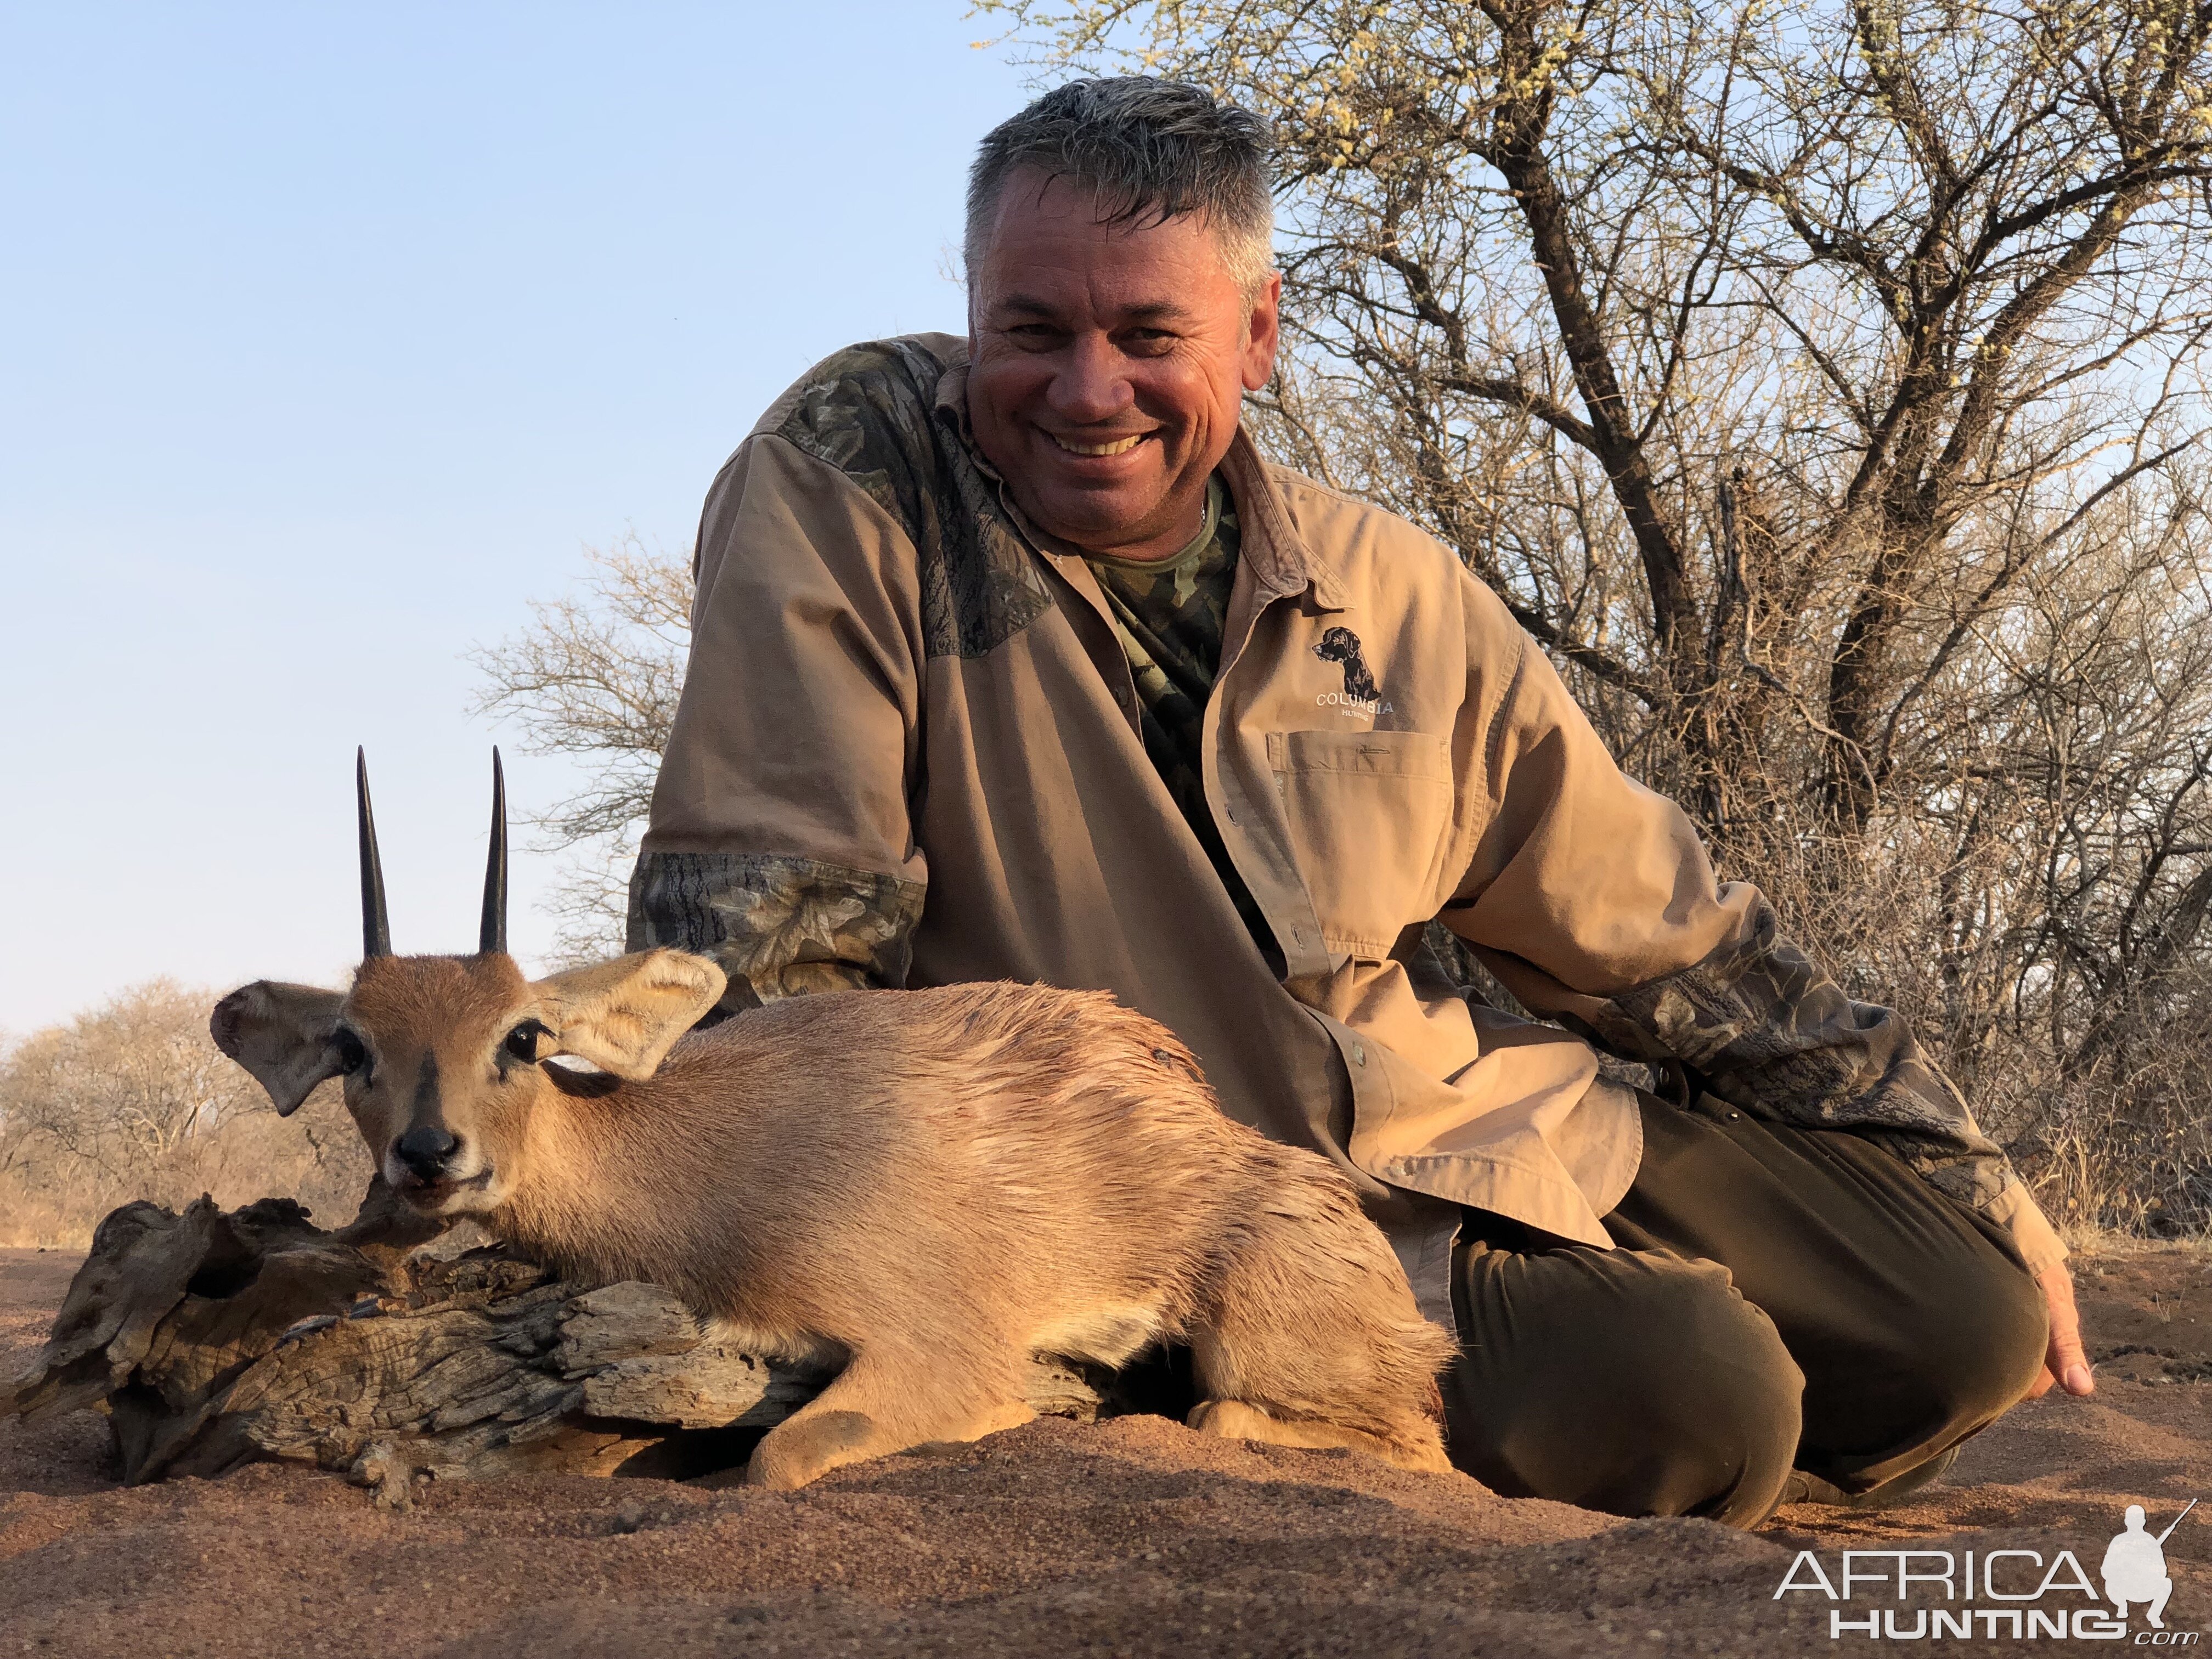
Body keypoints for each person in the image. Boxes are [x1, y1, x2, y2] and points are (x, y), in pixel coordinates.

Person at [628, 77, 2087, 1526]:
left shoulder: (1386, 585)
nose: (1085, 390)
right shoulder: (857, 476)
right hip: (1175, 1211)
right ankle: (1288, 1395)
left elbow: (1658, 928)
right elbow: (769, 959)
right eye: (1032, 330)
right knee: (1703, 1401)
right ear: (971, 306)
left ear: (1258, 335)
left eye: (1149, 335)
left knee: (1968, 1313)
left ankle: (1594, 1370)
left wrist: (1950, 1150)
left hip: (1464, 1124)